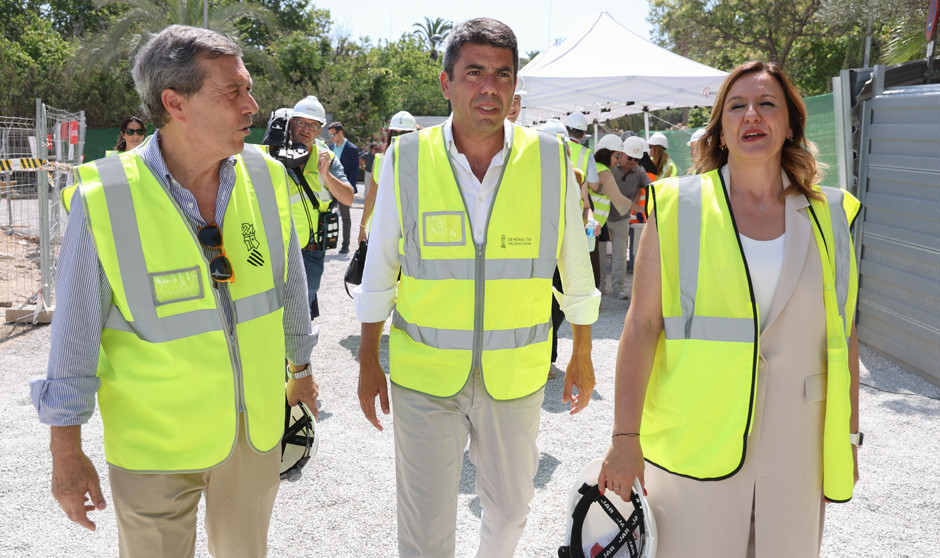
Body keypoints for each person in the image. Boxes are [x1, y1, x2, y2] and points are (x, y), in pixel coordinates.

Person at [29, 25, 319, 557]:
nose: (252, 105)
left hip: (252, 430)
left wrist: (301, 370)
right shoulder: (105, 196)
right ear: (174, 102)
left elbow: (289, 286)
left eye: (248, 87)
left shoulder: (266, 175)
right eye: (233, 91)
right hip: (153, 444)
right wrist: (66, 454)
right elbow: (73, 336)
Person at [355, 17, 599, 558]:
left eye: (502, 74)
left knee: (511, 509)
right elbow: (382, 265)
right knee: (423, 524)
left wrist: (582, 350)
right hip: (424, 375)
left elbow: (574, 267)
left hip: (515, 374)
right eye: (473, 73)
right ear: (446, 83)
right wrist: (369, 358)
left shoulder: (552, 159)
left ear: (515, 87)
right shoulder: (407, 158)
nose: (489, 87)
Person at [598, 61, 861, 558]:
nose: (751, 116)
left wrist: (847, 437)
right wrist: (624, 438)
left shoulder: (830, 213)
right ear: (719, 128)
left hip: (798, 445)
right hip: (695, 438)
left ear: (790, 125)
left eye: (767, 105)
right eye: (736, 107)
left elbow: (843, 331)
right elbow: (641, 327)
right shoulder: (677, 206)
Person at [286, 96, 355, 319]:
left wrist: (326, 174)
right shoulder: (271, 154)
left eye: (312, 125)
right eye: (301, 123)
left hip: (312, 249)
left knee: (303, 307)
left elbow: (348, 198)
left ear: (320, 131)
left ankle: (295, 352)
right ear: (291, 123)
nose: (305, 129)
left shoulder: (328, 158)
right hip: (280, 246)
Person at [359, 110, 418, 243]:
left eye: (403, 134)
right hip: (382, 230)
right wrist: (362, 228)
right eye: (394, 134)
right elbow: (371, 197)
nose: (398, 138)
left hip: (411, 232)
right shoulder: (380, 161)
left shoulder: (422, 162)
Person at [602, 135, 647, 298]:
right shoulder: (609, 169)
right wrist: (639, 209)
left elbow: (650, 187)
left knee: (620, 255)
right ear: (621, 155)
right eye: (630, 158)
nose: (633, 162)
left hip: (622, 218)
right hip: (604, 217)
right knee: (599, 255)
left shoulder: (639, 172)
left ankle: (618, 289)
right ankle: (600, 287)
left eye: (637, 159)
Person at [327, 121, 359, 253]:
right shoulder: (331, 148)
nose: (331, 138)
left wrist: (347, 191)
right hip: (329, 188)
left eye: (333, 135)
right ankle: (325, 243)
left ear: (340, 133)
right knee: (325, 214)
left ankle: (345, 245)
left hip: (344, 188)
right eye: (329, 136)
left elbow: (354, 172)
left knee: (345, 217)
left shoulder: (352, 149)